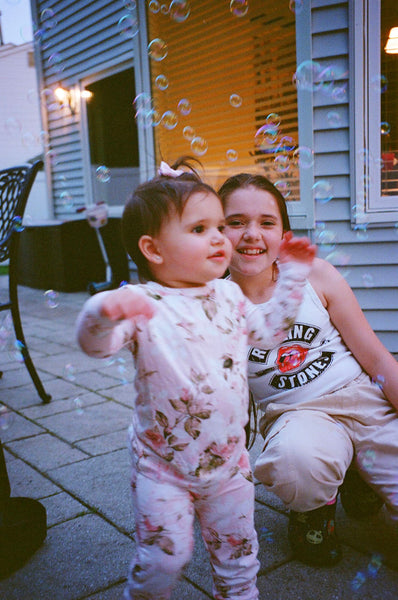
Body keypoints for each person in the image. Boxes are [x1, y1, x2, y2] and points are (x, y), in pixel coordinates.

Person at [75, 159, 316, 600]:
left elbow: (270, 331)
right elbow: (95, 346)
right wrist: (101, 312)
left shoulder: (229, 294)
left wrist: (295, 276)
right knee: (162, 560)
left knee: (239, 558)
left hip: (229, 464)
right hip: (162, 467)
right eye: (200, 229)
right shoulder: (140, 302)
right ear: (153, 249)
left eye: (219, 227)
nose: (220, 238)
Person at [218, 172, 398, 568]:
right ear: (216, 234)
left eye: (266, 222)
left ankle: (356, 475)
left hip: (363, 397)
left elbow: (378, 359)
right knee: (297, 463)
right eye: (235, 222)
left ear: (283, 236)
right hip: (297, 413)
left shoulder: (315, 275)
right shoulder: (215, 307)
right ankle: (313, 511)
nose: (251, 233)